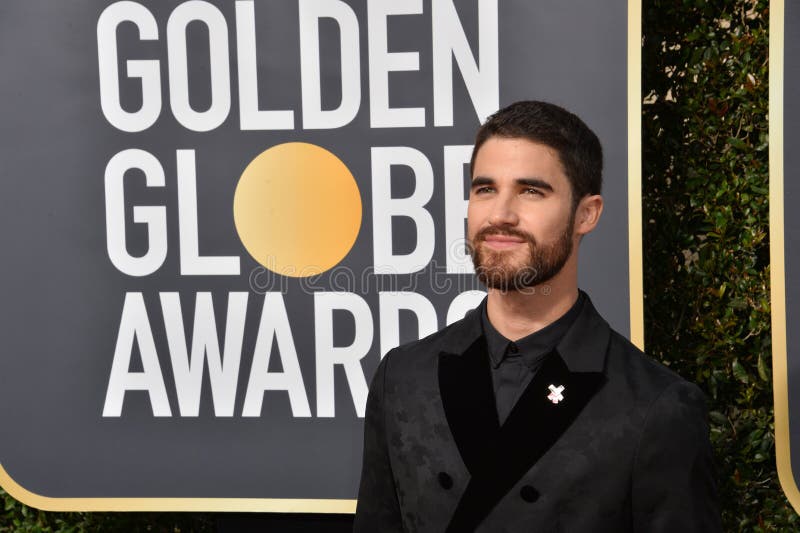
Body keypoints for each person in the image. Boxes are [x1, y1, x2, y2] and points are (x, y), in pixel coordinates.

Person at [353, 101, 721, 532]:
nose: (500, 215)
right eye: (485, 189)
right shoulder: (402, 378)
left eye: (531, 191)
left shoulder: (656, 408)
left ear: (587, 214)